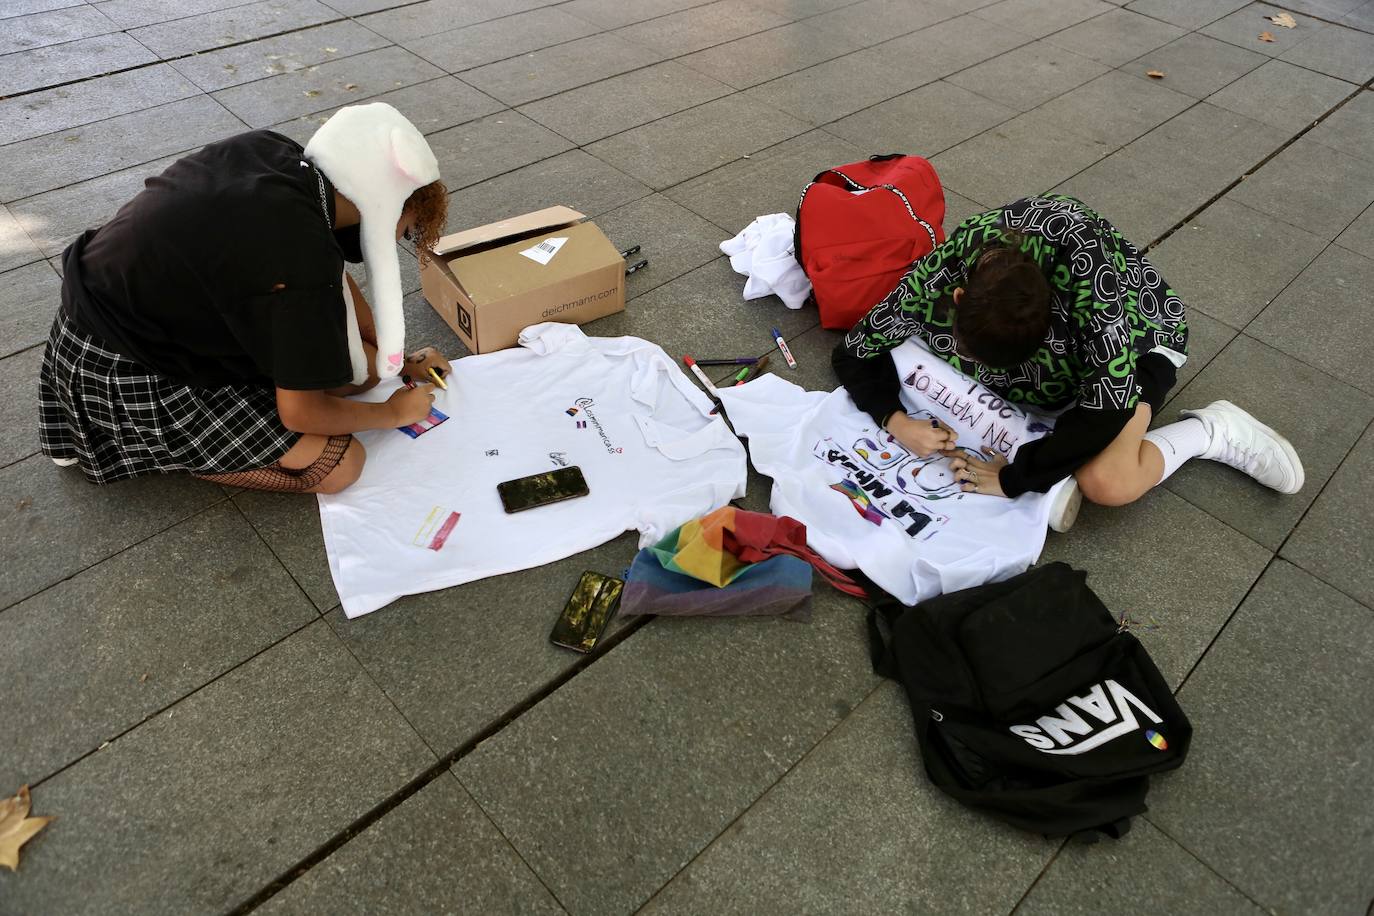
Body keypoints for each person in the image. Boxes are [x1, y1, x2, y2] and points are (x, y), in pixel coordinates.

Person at [38, 102, 449, 494]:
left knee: (359, 372)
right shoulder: (300, 257)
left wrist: (397, 364)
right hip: (127, 370)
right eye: (408, 230)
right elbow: (301, 413)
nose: (401, 241)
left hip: (115, 317)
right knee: (339, 465)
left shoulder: (280, 157)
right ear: (386, 205)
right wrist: (391, 414)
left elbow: (332, 279)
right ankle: (158, 449)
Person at [832, 194, 1303, 531]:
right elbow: (854, 351)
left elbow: (1106, 408)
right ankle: (1036, 429)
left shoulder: (1091, 287)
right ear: (959, 296)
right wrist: (894, 420)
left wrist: (1016, 478)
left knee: (1107, 483)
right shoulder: (949, 266)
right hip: (1056, 371)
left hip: (1141, 344)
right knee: (896, 347)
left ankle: (1213, 431)